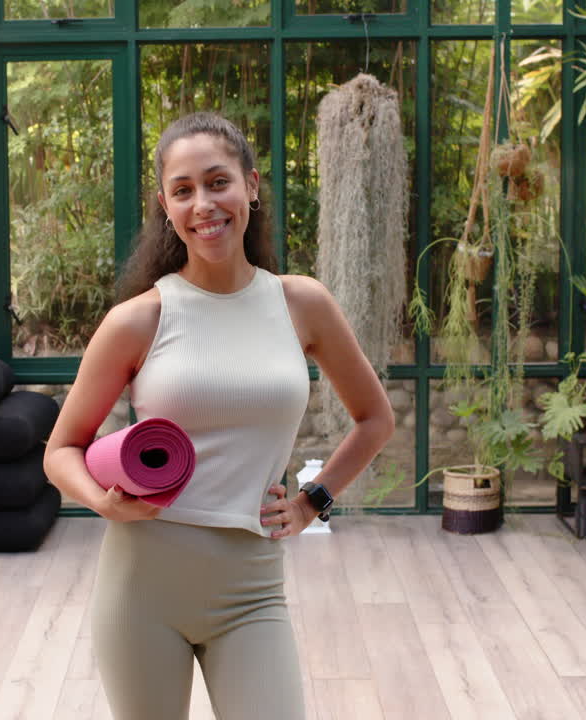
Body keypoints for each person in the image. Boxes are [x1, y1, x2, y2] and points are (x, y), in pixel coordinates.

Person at [43, 111, 394, 720]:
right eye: (183, 190)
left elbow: (374, 419)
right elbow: (61, 450)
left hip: (252, 591)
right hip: (142, 589)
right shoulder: (139, 319)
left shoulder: (302, 303)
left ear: (251, 186)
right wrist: (102, 502)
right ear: (166, 206)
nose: (203, 204)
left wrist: (312, 501)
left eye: (217, 181)